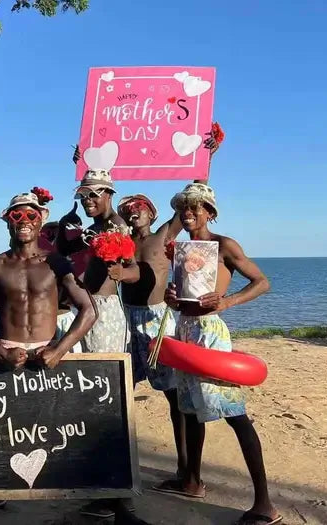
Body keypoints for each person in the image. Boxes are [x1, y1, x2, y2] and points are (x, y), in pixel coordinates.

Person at [0, 190, 98, 525]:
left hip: (49, 360)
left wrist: (59, 349)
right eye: (16, 216)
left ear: (40, 219)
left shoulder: (56, 263)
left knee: (76, 432)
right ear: (6, 221)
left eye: (30, 215)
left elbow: (88, 310)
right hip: (5, 358)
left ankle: (118, 503)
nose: (24, 221)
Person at [156, 183, 280, 525]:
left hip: (210, 332)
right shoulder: (180, 248)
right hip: (185, 328)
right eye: (184, 207)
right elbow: (182, 294)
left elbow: (261, 282)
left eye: (196, 207)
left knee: (233, 414)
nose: (188, 212)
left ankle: (264, 505)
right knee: (190, 410)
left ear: (210, 212)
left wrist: (226, 301)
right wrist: (171, 297)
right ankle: (192, 481)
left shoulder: (224, 245)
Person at [116, 128, 224, 480]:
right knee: (117, 392)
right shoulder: (120, 241)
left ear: (152, 211)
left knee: (175, 397)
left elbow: (193, 202)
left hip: (156, 321)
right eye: (128, 209)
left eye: (139, 207)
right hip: (126, 321)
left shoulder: (165, 235)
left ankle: (184, 468)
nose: (133, 212)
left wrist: (205, 159)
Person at [72, 150, 142, 521]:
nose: (88, 201)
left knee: (107, 396)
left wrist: (120, 273)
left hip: (103, 315)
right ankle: (102, 485)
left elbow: (135, 272)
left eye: (94, 195)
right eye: (84, 195)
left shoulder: (117, 227)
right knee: (88, 395)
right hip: (80, 313)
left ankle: (120, 496)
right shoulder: (91, 226)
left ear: (109, 194)